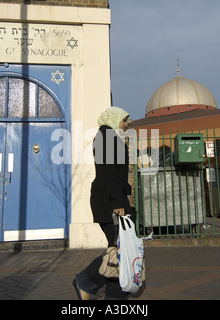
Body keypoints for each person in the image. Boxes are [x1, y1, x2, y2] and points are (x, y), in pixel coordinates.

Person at [72, 106, 133, 300]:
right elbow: (107, 173)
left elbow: (115, 172)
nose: (126, 124)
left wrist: (125, 189)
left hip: (113, 198)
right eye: (124, 120)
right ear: (113, 119)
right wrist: (118, 201)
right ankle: (85, 281)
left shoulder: (109, 137)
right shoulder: (106, 137)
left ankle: (106, 292)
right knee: (118, 250)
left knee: (118, 248)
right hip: (110, 201)